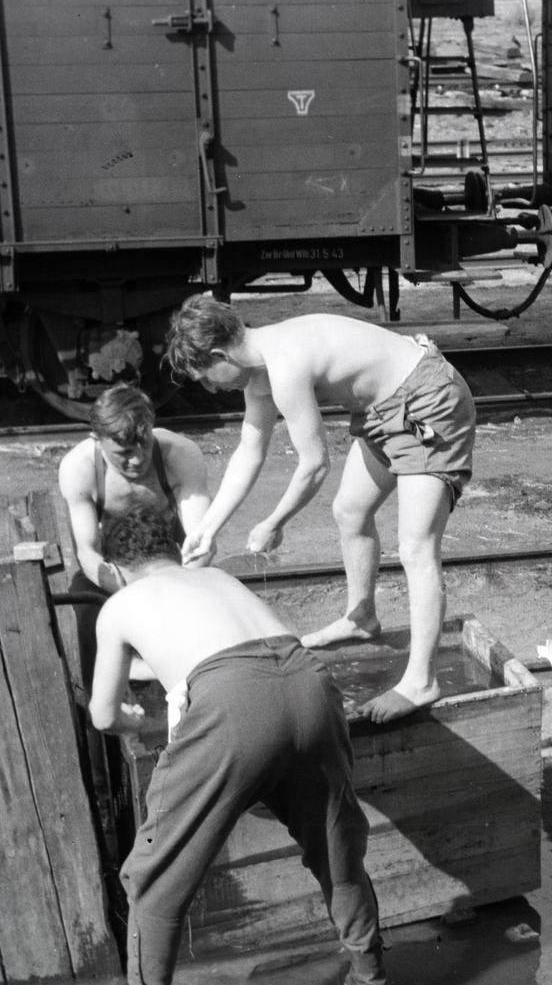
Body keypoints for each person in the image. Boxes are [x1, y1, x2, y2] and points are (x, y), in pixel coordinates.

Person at [89, 508, 386, 985]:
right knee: (336, 852)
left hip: (233, 700)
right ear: (174, 550)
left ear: (115, 570)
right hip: (310, 682)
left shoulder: (118, 604)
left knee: (152, 878)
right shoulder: (216, 575)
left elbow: (101, 714)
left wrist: (139, 724)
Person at [164, 297, 476, 724]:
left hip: (428, 401)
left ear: (220, 355)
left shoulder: (285, 362)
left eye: (206, 377)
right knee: (350, 512)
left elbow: (314, 465)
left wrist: (275, 521)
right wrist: (208, 529)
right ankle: (361, 617)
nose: (211, 389)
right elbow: (249, 452)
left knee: (416, 547)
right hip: (384, 410)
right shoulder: (258, 373)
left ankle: (421, 680)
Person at [57, 384, 210, 594]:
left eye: (146, 444)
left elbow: (202, 541)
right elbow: (87, 551)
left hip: (176, 568)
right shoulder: (79, 468)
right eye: (124, 452)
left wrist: (178, 589)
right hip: (116, 573)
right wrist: (127, 595)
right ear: (98, 442)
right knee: (87, 606)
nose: (138, 459)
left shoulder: (181, 454)